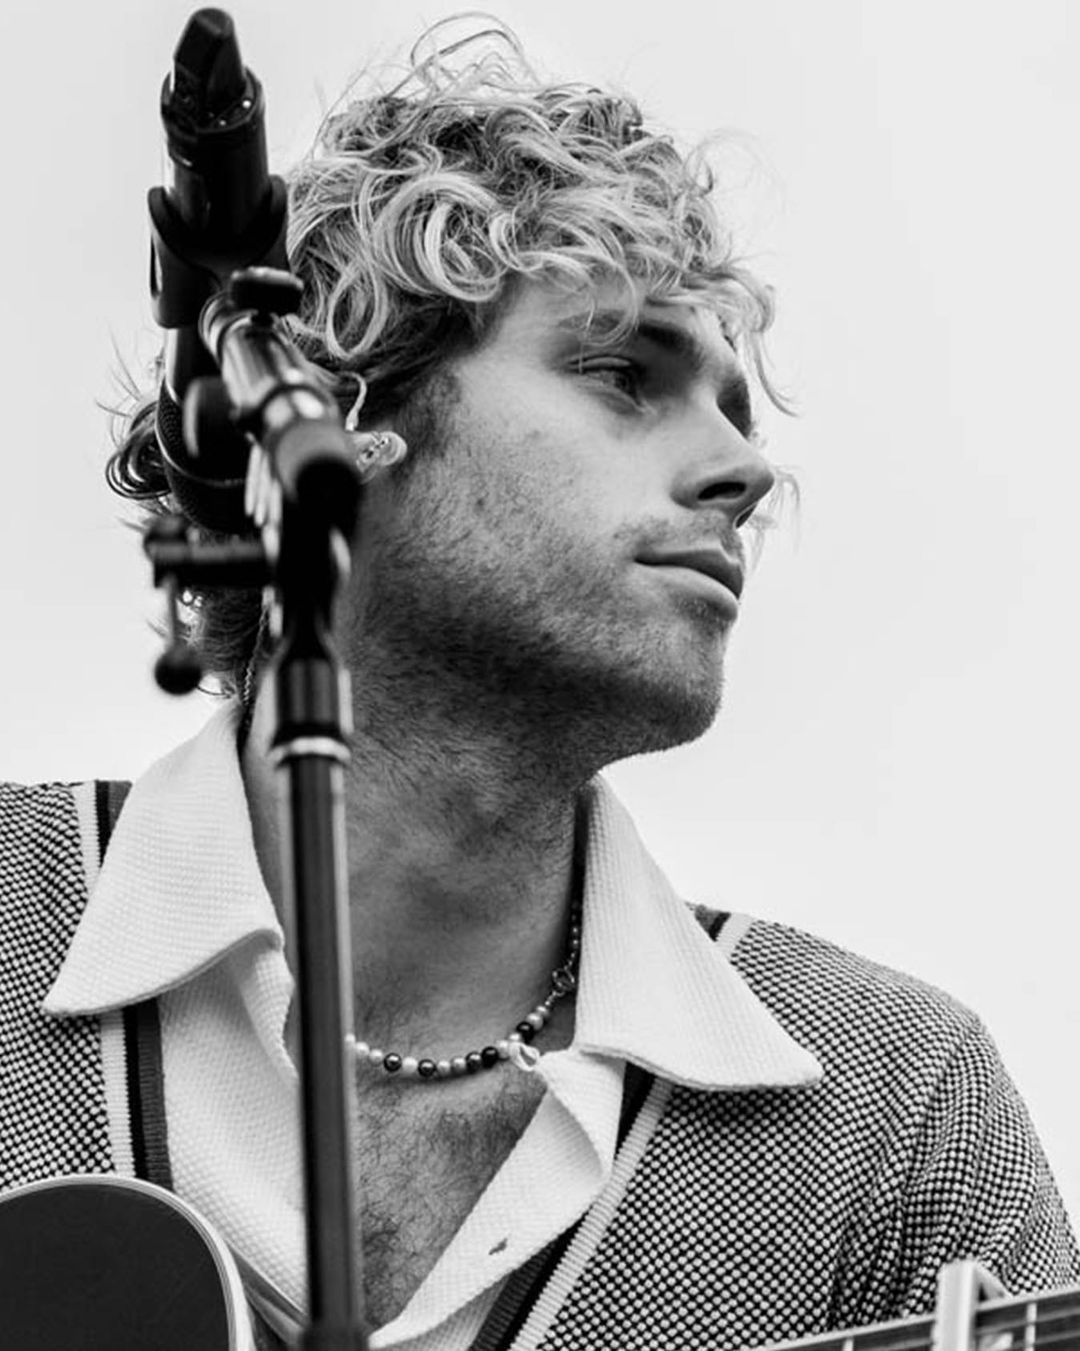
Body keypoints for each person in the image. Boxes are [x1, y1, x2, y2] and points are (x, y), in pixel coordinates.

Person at [2, 18, 1077, 1351]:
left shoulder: (894, 1118)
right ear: (343, 422)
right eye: (625, 374)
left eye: (738, 413)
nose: (747, 474)